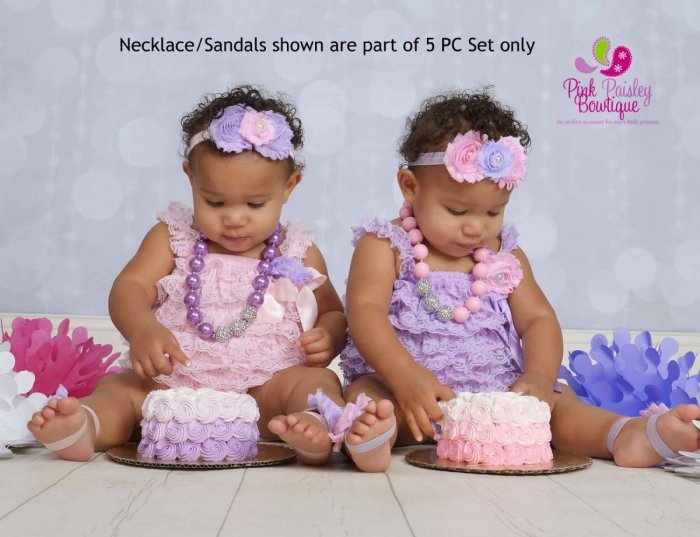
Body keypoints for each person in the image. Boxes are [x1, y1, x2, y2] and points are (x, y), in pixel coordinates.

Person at [340, 88, 700, 472]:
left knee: (558, 405)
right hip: (405, 388)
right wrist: (404, 375)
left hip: (498, 395)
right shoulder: (386, 246)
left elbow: (538, 319)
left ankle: (625, 435)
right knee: (369, 397)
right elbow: (365, 311)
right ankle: (374, 438)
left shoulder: (503, 254)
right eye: (457, 210)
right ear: (411, 186)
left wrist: (539, 378)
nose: (475, 228)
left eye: (493, 212)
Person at [28, 85, 351, 465]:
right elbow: (130, 286)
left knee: (315, 382)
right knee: (123, 389)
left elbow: (333, 311)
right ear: (190, 178)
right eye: (214, 201)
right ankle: (85, 425)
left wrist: (328, 337)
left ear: (289, 187)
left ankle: (311, 426)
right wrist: (142, 329)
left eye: (255, 204)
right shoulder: (172, 238)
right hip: (171, 382)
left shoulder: (297, 250)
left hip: (265, 387)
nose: (234, 218)